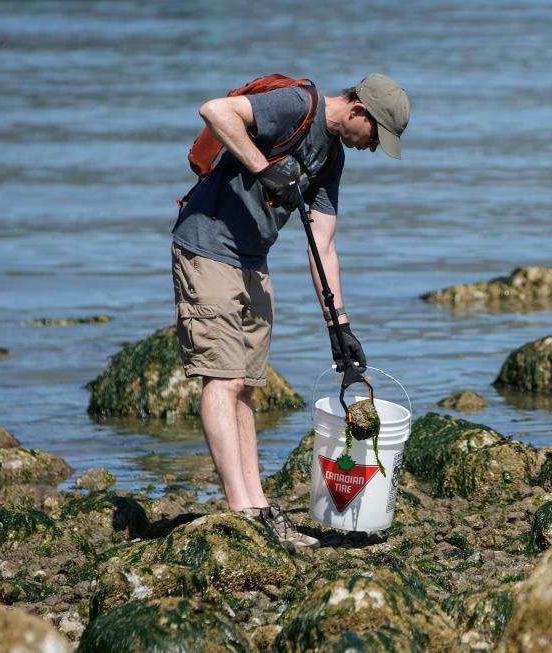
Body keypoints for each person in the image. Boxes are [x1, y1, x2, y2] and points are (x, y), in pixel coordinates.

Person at [171, 73, 410, 550]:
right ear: (359, 111)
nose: (371, 148)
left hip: (252, 259)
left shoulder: (332, 159)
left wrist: (339, 328)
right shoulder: (296, 105)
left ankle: (258, 506)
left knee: (244, 386)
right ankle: (243, 511)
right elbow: (214, 110)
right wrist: (264, 168)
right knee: (221, 379)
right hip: (207, 246)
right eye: (375, 137)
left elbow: (322, 244)